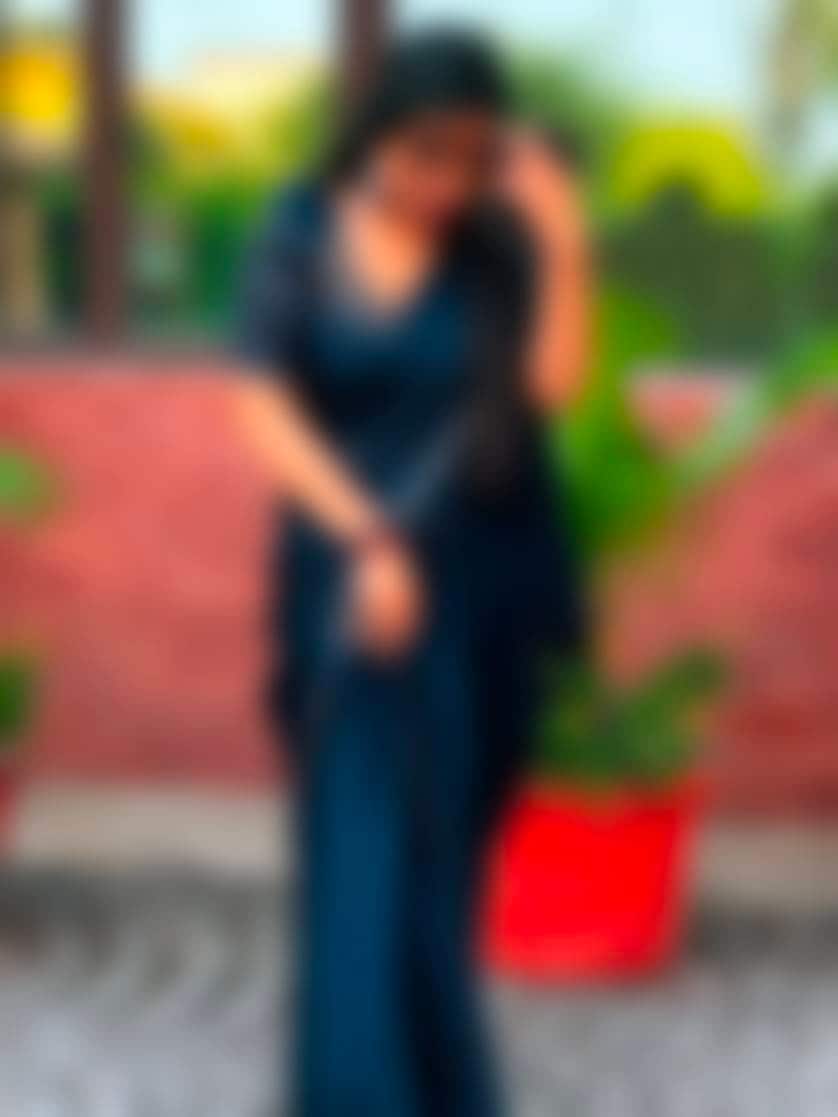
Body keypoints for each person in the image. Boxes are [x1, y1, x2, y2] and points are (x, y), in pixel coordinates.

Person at [233, 27, 592, 1117]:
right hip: (347, 584)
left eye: (472, 161)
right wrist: (369, 542)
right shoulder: (299, 233)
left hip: (475, 589)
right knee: (357, 848)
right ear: (378, 129)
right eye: (426, 154)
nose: (445, 185)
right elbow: (261, 404)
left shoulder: (489, 248)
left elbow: (548, 391)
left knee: (440, 863)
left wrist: (562, 243)